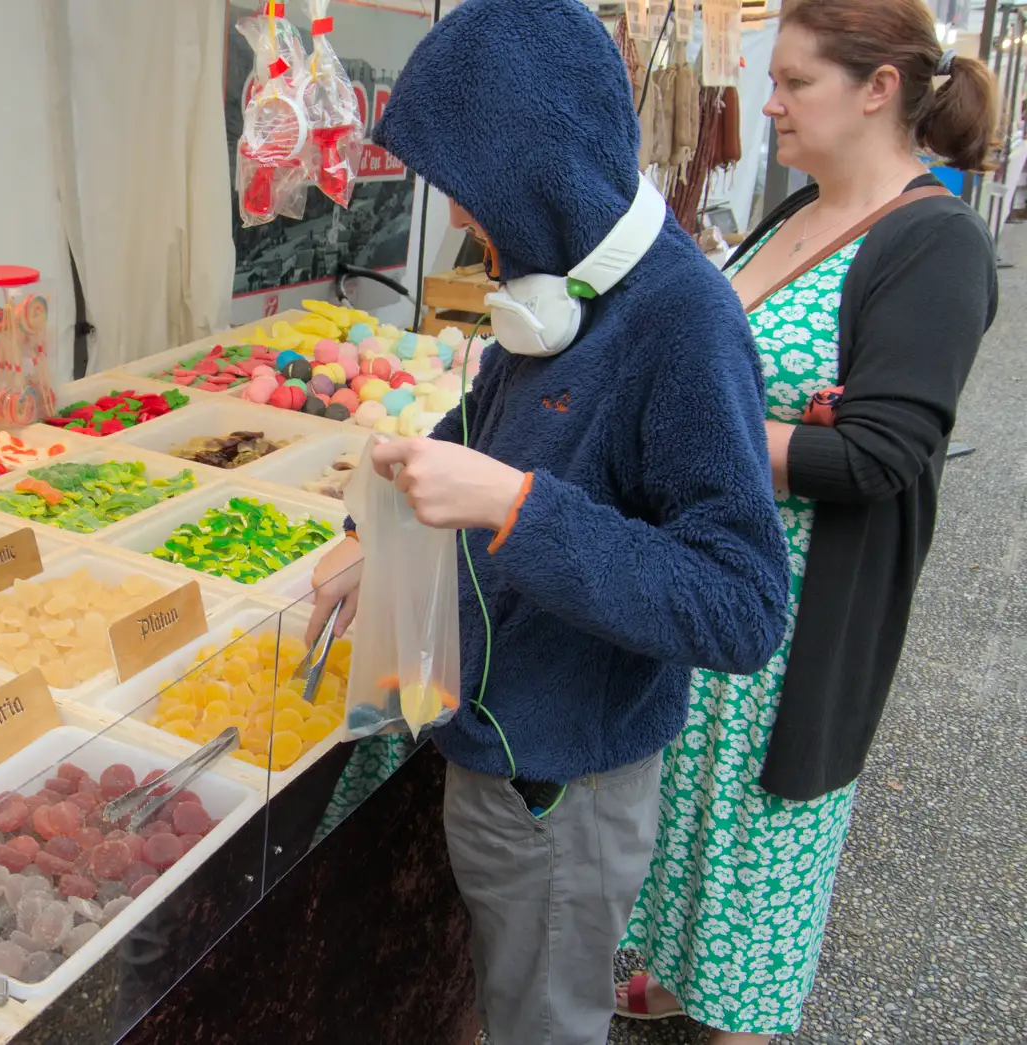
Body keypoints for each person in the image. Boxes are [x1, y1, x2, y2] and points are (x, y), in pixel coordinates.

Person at [302, 1, 792, 1042]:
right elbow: (479, 422)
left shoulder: (681, 323)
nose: (468, 227)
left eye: (472, 199)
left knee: (544, 1022)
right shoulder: (555, 294)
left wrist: (515, 506)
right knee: (498, 992)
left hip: (561, 786)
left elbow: (740, 605)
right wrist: (375, 542)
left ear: (538, 174)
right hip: (498, 747)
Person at [616, 2, 1000, 1042]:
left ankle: (735, 1016)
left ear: (878, 88)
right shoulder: (796, 209)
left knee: (758, 849)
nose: (767, 104)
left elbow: (880, 456)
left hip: (792, 629)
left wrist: (696, 432)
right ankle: (671, 976)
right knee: (687, 813)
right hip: (711, 590)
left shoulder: (934, 243)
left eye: (794, 82)